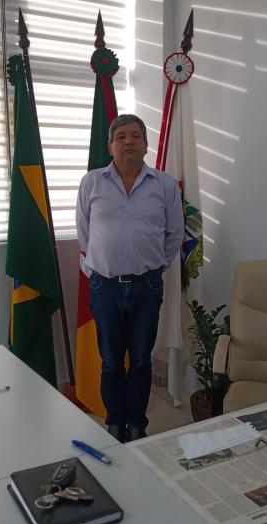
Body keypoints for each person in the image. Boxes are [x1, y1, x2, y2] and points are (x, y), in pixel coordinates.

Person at [76, 114, 184, 442]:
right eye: (121, 136)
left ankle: (137, 425)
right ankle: (114, 423)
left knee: (140, 361)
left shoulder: (164, 185)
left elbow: (174, 234)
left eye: (136, 136)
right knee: (110, 362)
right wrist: (99, 265)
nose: (128, 142)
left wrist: (155, 266)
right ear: (110, 145)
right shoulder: (92, 183)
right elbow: (85, 232)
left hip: (146, 286)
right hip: (105, 286)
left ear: (146, 144)